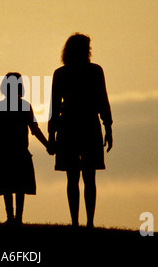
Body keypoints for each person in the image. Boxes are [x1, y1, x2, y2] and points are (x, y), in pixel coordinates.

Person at [47, 33, 113, 228]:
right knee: (86, 176)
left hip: (71, 125)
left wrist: (52, 134)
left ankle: (78, 221)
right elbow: (103, 100)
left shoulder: (62, 73)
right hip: (86, 124)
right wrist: (108, 126)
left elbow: (55, 107)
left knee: (74, 177)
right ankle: (86, 222)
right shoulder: (94, 71)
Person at [0, 72, 49, 225]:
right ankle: (17, 217)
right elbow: (35, 129)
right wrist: (48, 145)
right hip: (19, 152)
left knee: (8, 186)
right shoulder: (24, 106)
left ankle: (11, 217)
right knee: (19, 187)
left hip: (6, 153)